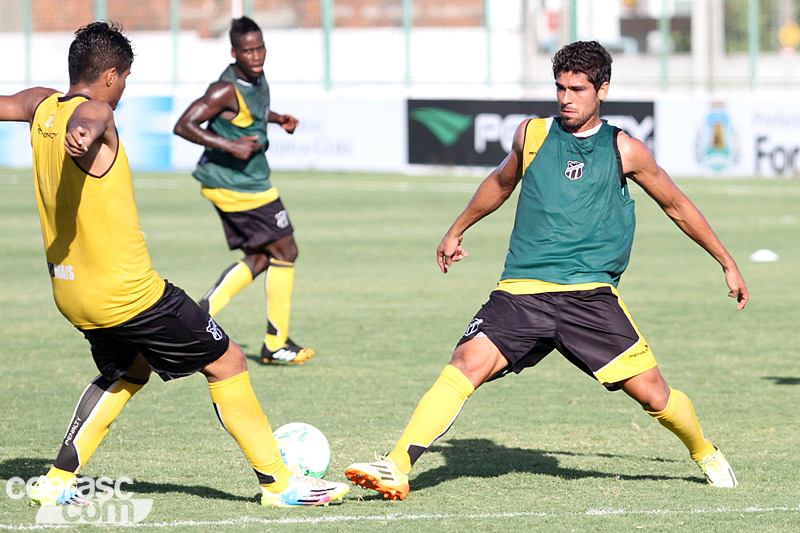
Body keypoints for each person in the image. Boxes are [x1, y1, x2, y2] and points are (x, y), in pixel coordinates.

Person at [344, 40, 748, 500]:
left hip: (588, 297)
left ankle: (703, 450)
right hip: (520, 292)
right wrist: (456, 230)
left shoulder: (625, 149)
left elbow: (677, 205)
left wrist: (727, 262)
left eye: (577, 89)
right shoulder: (531, 134)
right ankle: (396, 465)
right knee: (464, 364)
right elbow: (499, 183)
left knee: (655, 396)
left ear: (603, 90)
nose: (565, 99)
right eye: (560, 88)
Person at [0, 21, 347, 507]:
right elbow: (95, 114)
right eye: (124, 79)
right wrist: (86, 130)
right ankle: (280, 484)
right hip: (130, 295)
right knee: (228, 361)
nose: (122, 90)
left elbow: (11, 106)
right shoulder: (96, 110)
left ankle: (56, 483)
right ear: (111, 74)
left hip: (71, 292)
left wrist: (77, 128)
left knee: (129, 371)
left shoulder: (41, 105)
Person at [173, 16, 313, 365]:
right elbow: (183, 125)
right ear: (234, 53)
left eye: (260, 48)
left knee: (263, 256)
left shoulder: (257, 77)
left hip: (246, 180)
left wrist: (277, 118)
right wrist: (228, 146)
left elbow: (251, 113)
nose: (256, 56)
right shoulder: (223, 89)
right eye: (247, 51)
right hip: (236, 184)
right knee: (287, 249)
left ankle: (200, 316)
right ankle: (275, 344)